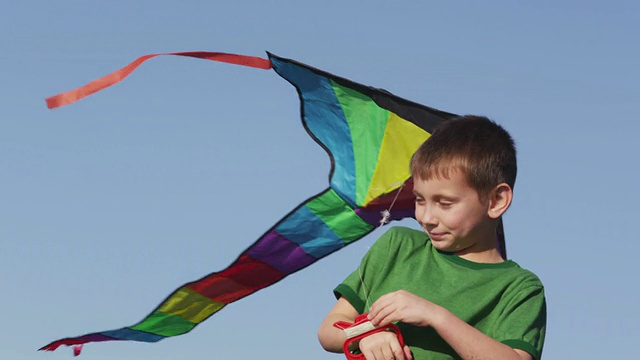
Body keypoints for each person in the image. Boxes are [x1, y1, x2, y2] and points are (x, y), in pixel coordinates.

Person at [317, 116, 546, 360]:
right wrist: (364, 335)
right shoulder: (397, 245)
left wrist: (435, 316)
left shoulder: (519, 288)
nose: (426, 217)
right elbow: (329, 328)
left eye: (444, 203)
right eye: (419, 200)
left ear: (497, 200)